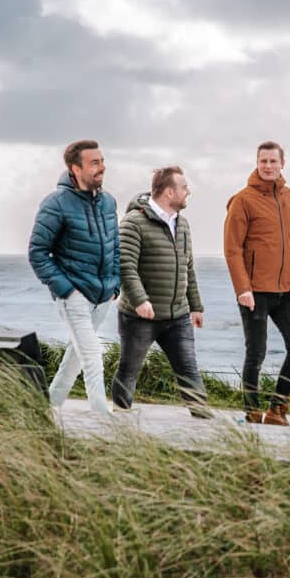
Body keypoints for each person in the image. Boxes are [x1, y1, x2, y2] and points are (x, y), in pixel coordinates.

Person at [223, 140, 290, 425]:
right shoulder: (243, 200)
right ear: (257, 162)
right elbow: (232, 249)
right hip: (255, 292)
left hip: (285, 289)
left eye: (273, 161)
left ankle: (277, 410)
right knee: (257, 352)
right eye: (263, 161)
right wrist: (243, 289)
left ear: (282, 164)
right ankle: (252, 411)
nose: (268, 166)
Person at [29, 139, 120, 416]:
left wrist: (115, 283)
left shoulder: (108, 202)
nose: (101, 167)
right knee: (92, 355)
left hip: (103, 295)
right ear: (75, 168)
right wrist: (66, 290)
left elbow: (115, 246)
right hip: (75, 296)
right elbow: (37, 252)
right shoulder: (56, 203)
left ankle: (49, 406)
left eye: (102, 161)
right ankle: (102, 418)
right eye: (94, 163)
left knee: (74, 358)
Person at [111, 166, 211, 418]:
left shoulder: (183, 224)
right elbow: (125, 266)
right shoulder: (134, 222)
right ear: (169, 192)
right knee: (128, 371)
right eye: (184, 187)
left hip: (177, 316)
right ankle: (120, 421)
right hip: (140, 317)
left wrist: (196, 306)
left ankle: (205, 425)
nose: (188, 192)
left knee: (189, 370)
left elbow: (188, 267)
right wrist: (140, 300)